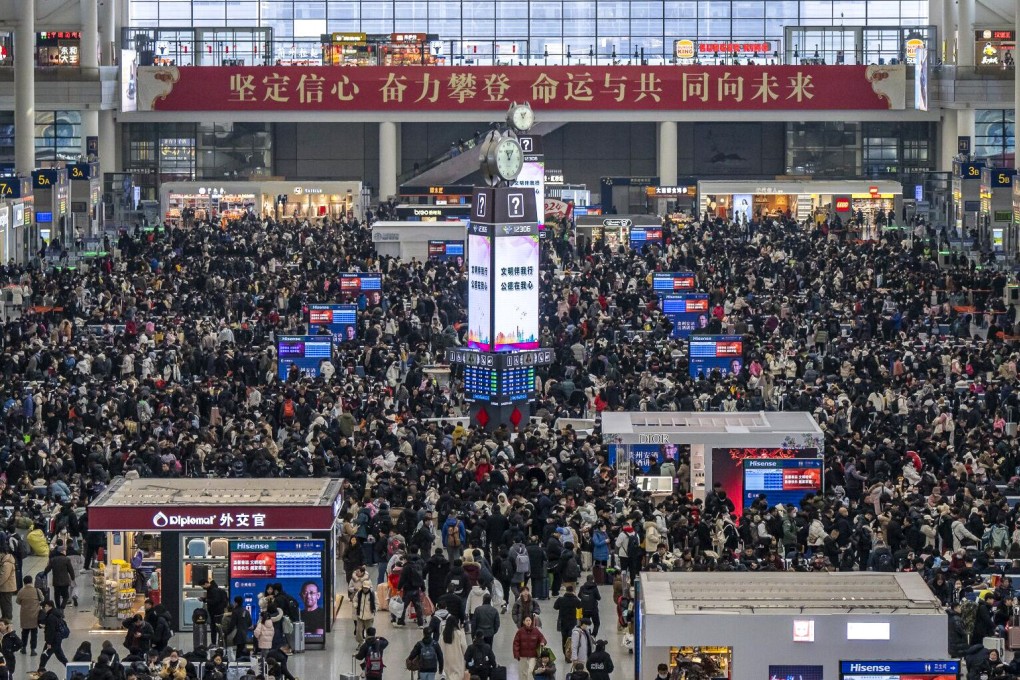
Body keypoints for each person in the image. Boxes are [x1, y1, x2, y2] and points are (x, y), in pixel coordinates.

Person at [31, 600, 68, 678]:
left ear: (49, 606)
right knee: (60, 656)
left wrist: (49, 643)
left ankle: (40, 671)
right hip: (57, 639)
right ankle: (69, 666)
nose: (44, 608)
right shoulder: (56, 613)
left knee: (44, 656)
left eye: (45, 606)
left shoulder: (51, 616)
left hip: (53, 640)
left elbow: (51, 631)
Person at [41, 545, 75, 611]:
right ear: (62, 551)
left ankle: (58, 608)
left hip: (56, 581)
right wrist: (72, 577)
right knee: (66, 596)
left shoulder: (53, 559)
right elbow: (71, 570)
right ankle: (62, 607)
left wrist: (44, 574)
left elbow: (48, 569)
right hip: (65, 581)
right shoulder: (66, 559)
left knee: (57, 596)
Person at [512, 615, 546, 680]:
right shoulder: (520, 631)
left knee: (531, 671)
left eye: (529, 620)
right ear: (524, 622)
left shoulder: (536, 631)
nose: (528, 622)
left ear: (531, 621)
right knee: (523, 672)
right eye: (526, 620)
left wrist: (542, 642)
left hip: (533, 655)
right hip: (522, 655)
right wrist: (516, 654)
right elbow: (516, 643)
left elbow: (542, 638)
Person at [15, 576, 41, 656]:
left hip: (25, 615)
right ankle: (33, 649)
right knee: (34, 633)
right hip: (35, 615)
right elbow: (42, 599)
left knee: (24, 632)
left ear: (24, 582)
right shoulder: (36, 590)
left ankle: (23, 648)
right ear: (31, 581)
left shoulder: (21, 591)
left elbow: (17, 601)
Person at [554, 585, 583, 655]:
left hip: (562, 621)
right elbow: (580, 609)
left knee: (564, 638)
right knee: (571, 637)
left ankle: (565, 653)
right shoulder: (576, 600)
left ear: (566, 590)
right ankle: (570, 652)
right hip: (572, 621)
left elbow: (555, 607)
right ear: (573, 591)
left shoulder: (560, 599)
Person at [202, 581, 229, 647]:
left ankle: (214, 643)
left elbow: (214, 601)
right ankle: (220, 643)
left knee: (214, 628)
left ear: (206, 583)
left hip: (215, 612)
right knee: (219, 628)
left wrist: (205, 600)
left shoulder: (213, 590)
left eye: (202, 586)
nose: (203, 588)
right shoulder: (218, 590)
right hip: (219, 612)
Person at [353, 579, 377, 643]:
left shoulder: (373, 594)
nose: (365, 589)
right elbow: (355, 600)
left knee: (369, 631)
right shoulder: (359, 593)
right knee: (358, 630)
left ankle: (368, 643)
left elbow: (377, 603)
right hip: (360, 615)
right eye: (364, 587)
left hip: (369, 616)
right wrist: (356, 605)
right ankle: (360, 642)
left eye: (366, 588)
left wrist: (374, 610)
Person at [0, 547, 14, 623]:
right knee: (3, 603)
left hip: (7, 587)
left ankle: (8, 619)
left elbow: (3, 576)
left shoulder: (7, 563)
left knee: (6, 604)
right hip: (4, 587)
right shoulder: (4, 561)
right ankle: (4, 617)